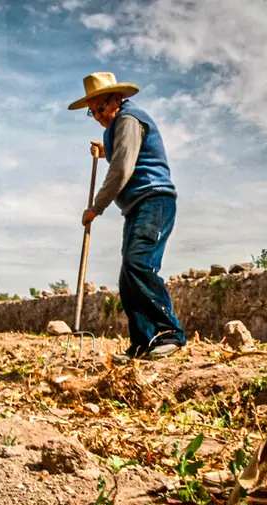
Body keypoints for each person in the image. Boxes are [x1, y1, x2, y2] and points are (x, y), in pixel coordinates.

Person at [70, 72, 186, 362]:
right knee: (127, 277)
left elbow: (122, 167)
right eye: (92, 111)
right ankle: (142, 343)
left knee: (139, 264)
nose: (97, 116)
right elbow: (123, 151)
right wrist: (105, 149)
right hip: (137, 206)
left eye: (101, 108)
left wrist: (96, 207)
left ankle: (169, 332)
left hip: (154, 200)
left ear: (117, 99)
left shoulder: (128, 120)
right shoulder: (119, 124)